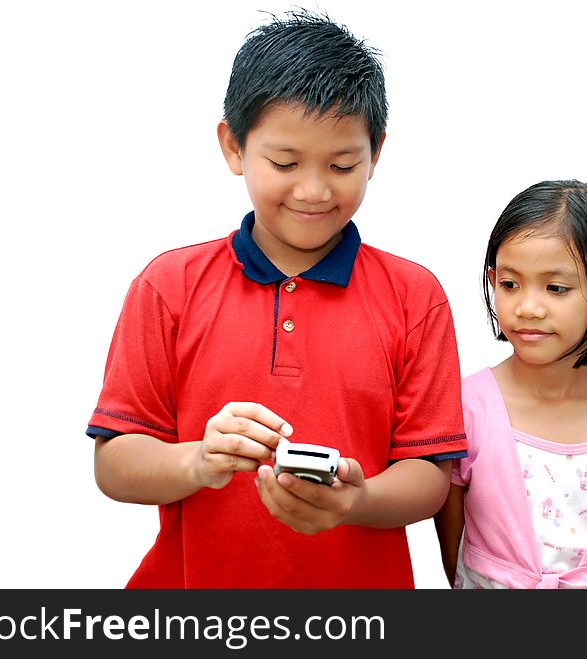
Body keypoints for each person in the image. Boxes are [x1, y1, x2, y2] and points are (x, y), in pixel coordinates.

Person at [86, 10, 467, 588]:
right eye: (284, 163)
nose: (313, 190)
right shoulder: (169, 286)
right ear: (233, 146)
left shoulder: (416, 297)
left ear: (377, 153)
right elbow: (114, 463)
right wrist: (198, 459)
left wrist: (356, 501)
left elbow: (431, 476)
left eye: (343, 165)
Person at [435, 180, 587, 589]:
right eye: (510, 284)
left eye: (556, 288)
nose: (527, 307)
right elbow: (455, 561)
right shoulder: (466, 407)